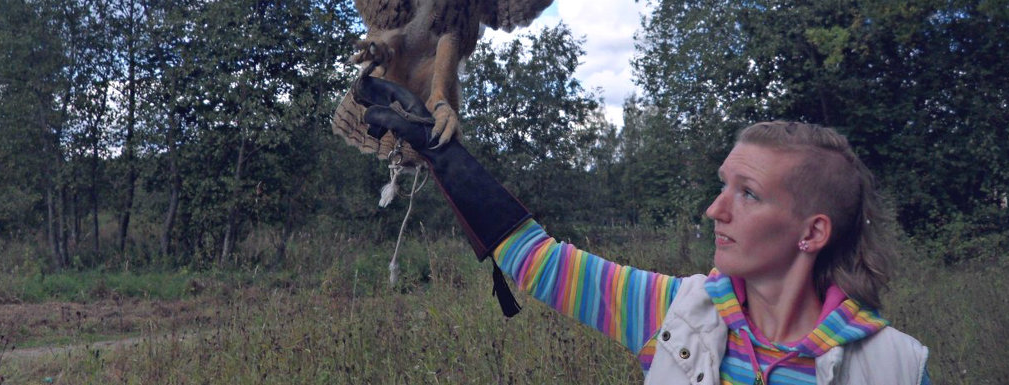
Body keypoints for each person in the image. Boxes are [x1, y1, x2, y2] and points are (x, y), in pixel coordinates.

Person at [356, 76, 931, 385]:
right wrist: (446, 157)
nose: (715, 209)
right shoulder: (675, 311)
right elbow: (542, 264)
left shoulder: (894, 368)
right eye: (722, 185)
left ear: (813, 233)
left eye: (747, 194)